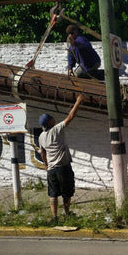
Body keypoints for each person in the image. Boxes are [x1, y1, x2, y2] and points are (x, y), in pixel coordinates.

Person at [38, 94, 84, 224]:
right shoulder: (57, 130)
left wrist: (46, 165)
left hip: (51, 169)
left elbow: (42, 152)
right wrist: (78, 101)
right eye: (52, 118)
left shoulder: (41, 136)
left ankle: (54, 217)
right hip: (63, 167)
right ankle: (67, 213)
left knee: (52, 193)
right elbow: (70, 117)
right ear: (50, 122)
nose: (54, 119)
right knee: (67, 192)